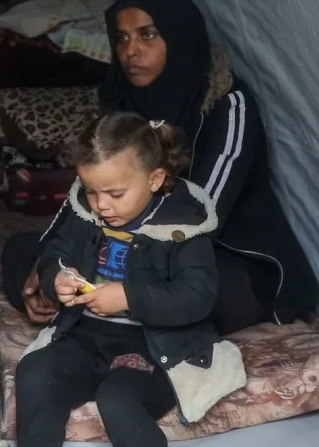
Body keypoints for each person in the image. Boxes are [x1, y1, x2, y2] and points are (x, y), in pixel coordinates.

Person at [2, 0, 319, 335]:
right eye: (121, 38)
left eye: (147, 35)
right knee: (24, 252)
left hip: (212, 251)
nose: (131, 51)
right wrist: (50, 265)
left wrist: (122, 277)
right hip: (126, 241)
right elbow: (87, 192)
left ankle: (103, 317)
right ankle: (106, 316)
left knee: (196, 295)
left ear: (179, 35)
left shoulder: (226, 104)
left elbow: (203, 214)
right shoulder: (121, 100)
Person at [15, 112, 245, 447]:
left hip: (154, 349)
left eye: (115, 194)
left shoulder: (182, 229)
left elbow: (197, 296)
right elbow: (54, 253)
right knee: (35, 372)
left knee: (118, 397)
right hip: (87, 337)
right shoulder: (86, 214)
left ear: (154, 180)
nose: (101, 205)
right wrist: (57, 278)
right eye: (92, 191)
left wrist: (128, 297)